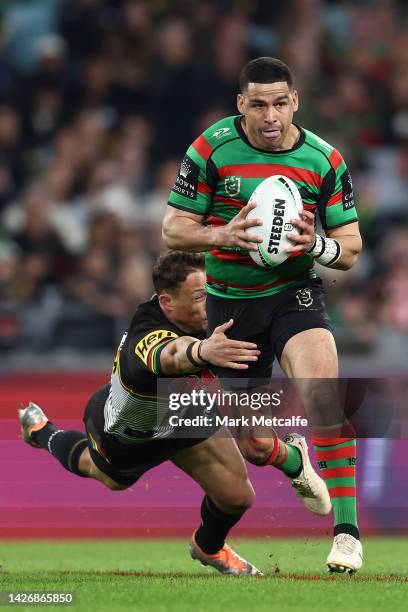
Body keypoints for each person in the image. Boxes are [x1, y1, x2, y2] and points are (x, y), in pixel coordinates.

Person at [163, 57, 363, 573]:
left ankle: (346, 533)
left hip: (294, 292)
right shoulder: (211, 148)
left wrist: (316, 243)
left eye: (279, 102)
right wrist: (222, 235)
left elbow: (351, 246)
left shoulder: (323, 159)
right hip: (230, 306)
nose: (270, 115)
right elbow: (174, 230)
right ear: (241, 105)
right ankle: (294, 461)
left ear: (295, 100)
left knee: (323, 392)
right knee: (252, 445)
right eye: (258, 104)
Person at [19, 250, 328, 576]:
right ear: (167, 302)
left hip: (184, 412)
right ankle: (42, 430)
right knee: (106, 476)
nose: (209, 302)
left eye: (210, 291)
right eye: (198, 297)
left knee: (238, 497)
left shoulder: (215, 312)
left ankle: (208, 547)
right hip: (130, 434)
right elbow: (171, 355)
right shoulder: (149, 333)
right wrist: (202, 350)